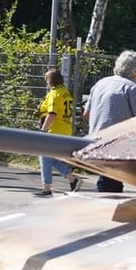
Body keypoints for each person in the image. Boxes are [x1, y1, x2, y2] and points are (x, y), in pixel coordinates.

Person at [84, 49, 136, 192]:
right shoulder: (133, 89)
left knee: (106, 179)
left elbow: (86, 113)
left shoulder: (100, 83)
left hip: (95, 139)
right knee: (112, 184)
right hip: (118, 144)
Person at [33, 69, 83, 197]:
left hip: (54, 129)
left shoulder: (54, 94)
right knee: (52, 159)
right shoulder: (65, 92)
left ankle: (46, 188)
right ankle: (73, 180)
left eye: (47, 80)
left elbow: (52, 114)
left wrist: (43, 130)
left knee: (44, 156)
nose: (46, 83)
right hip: (65, 129)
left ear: (51, 81)